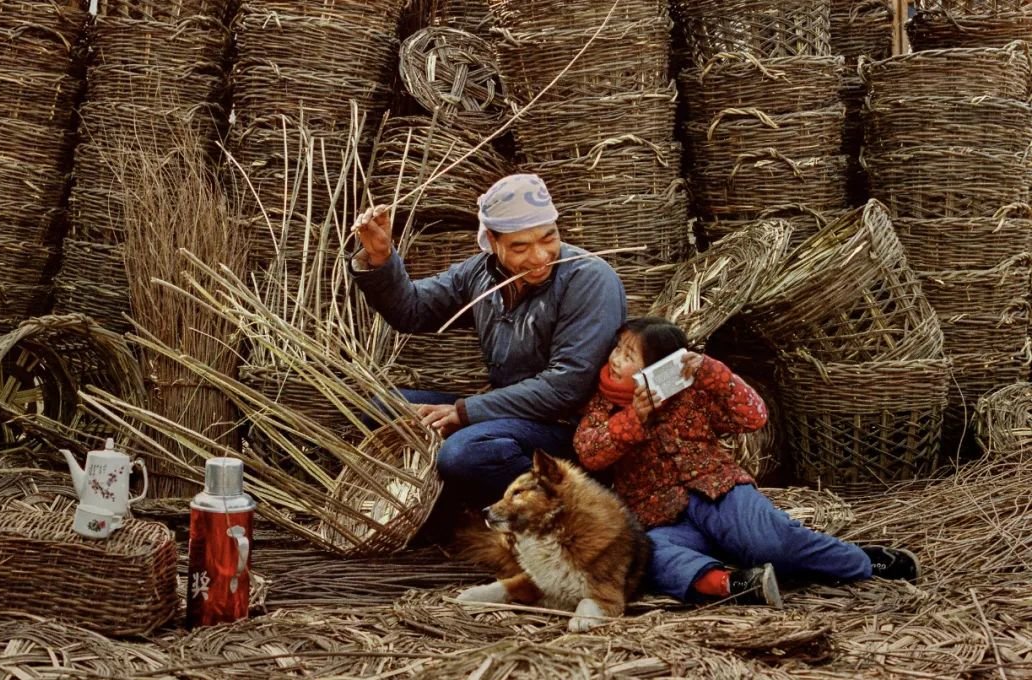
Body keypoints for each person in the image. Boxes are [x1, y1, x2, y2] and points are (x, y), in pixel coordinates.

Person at [573, 316, 921, 607]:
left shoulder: (691, 394)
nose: (615, 359)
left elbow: (753, 417)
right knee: (652, 557)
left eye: (629, 354)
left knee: (769, 542)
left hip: (718, 491)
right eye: (618, 348)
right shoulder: (603, 407)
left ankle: (859, 562)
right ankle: (736, 585)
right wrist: (634, 418)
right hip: (660, 515)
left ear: (657, 367)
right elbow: (589, 451)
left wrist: (712, 371)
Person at [350, 173, 627, 506]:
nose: (540, 257)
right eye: (520, 246)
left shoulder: (589, 279)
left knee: (465, 453)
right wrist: (382, 258)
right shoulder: (481, 273)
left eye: (548, 237)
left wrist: (467, 412)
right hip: (505, 414)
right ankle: (459, 500)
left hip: (570, 429)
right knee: (381, 407)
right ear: (492, 242)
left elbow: (566, 387)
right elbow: (412, 310)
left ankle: (567, 506)